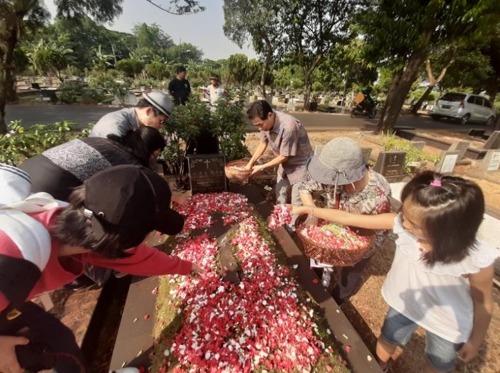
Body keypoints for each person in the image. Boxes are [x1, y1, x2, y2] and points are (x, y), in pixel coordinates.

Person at [0, 163, 201, 373]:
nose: (149, 238)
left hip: (12, 298)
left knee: (58, 339)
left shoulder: (85, 221)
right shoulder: (16, 258)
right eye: (149, 232)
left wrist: (185, 267)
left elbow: (134, 257)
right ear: (125, 240)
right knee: (48, 354)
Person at [292, 171, 498, 373]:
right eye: (404, 215)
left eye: (412, 223)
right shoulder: (401, 224)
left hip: (447, 323)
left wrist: (475, 340)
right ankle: (380, 365)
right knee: (387, 339)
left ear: (447, 231)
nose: (402, 223)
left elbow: (483, 302)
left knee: (438, 363)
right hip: (404, 304)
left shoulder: (475, 258)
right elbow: (347, 217)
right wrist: (307, 210)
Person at [298, 137, 391, 303]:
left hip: (357, 240)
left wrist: (351, 251)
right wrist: (312, 212)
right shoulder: (329, 174)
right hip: (330, 229)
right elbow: (305, 187)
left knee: (351, 273)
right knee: (318, 259)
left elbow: (379, 234)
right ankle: (317, 284)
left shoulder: (378, 194)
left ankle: (338, 299)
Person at [19, 127, 167, 202]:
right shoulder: (129, 163)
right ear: (149, 151)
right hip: (49, 189)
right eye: (155, 154)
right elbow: (144, 194)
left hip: (23, 173)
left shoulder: (101, 141)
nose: (154, 159)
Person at [245, 100, 313, 228]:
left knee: (296, 199)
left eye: (260, 124)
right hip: (285, 163)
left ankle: (291, 227)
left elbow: (284, 156)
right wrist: (250, 163)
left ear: (270, 115)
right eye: (256, 125)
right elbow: (263, 143)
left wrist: (261, 167)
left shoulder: (288, 126)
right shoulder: (265, 124)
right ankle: (280, 217)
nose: (259, 128)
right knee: (280, 190)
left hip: (300, 164)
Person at [89, 90, 173, 138]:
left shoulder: (136, 125)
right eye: (161, 121)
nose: (161, 126)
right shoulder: (117, 126)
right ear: (148, 111)